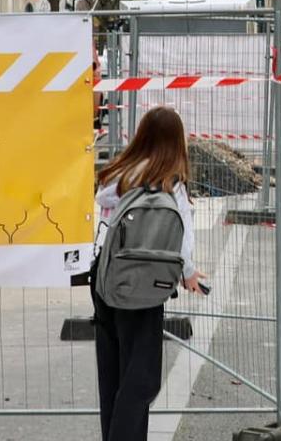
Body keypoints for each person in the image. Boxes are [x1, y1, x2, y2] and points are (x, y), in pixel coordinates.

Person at [91, 107, 205, 441]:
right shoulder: (168, 182)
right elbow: (181, 236)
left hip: (105, 276)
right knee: (142, 378)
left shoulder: (119, 174)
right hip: (145, 283)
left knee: (113, 376)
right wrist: (189, 273)